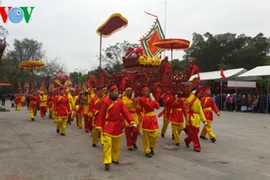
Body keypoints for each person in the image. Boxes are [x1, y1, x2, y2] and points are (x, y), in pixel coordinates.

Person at [96, 84, 136, 171]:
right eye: (115, 91)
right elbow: (101, 114)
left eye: (117, 91)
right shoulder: (105, 101)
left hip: (117, 125)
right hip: (108, 125)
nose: (117, 93)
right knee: (107, 144)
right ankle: (107, 161)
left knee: (116, 144)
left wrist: (131, 121)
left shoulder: (120, 102)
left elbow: (125, 112)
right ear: (111, 92)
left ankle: (115, 158)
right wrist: (99, 125)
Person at [138, 86, 160, 158]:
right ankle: (147, 150)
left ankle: (151, 146)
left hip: (153, 118)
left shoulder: (151, 99)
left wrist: (153, 99)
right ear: (142, 92)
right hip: (146, 118)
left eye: (148, 91)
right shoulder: (141, 99)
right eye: (145, 91)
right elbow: (149, 107)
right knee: (146, 136)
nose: (147, 92)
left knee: (155, 134)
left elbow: (157, 107)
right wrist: (153, 100)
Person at [122, 87, 140, 151]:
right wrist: (132, 100)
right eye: (128, 91)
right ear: (126, 92)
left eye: (131, 90)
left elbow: (138, 107)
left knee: (136, 130)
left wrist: (137, 101)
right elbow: (126, 105)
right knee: (128, 132)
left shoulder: (134, 98)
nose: (130, 92)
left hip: (134, 116)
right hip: (127, 115)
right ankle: (129, 145)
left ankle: (133, 142)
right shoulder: (124, 98)